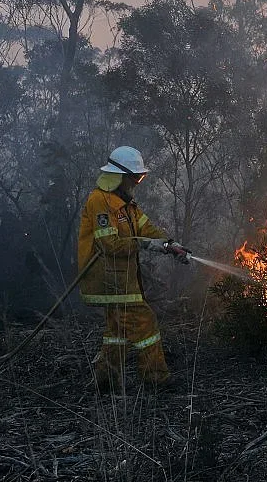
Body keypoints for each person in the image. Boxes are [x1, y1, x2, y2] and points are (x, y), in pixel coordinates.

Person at [77, 146, 189, 393]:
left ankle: (106, 380)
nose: (137, 183)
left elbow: (147, 229)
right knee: (145, 323)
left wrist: (171, 245)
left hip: (121, 281)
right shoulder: (100, 201)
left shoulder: (126, 205)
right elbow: (109, 244)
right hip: (109, 279)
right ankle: (155, 378)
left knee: (117, 332)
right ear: (119, 176)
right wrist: (148, 245)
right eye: (135, 178)